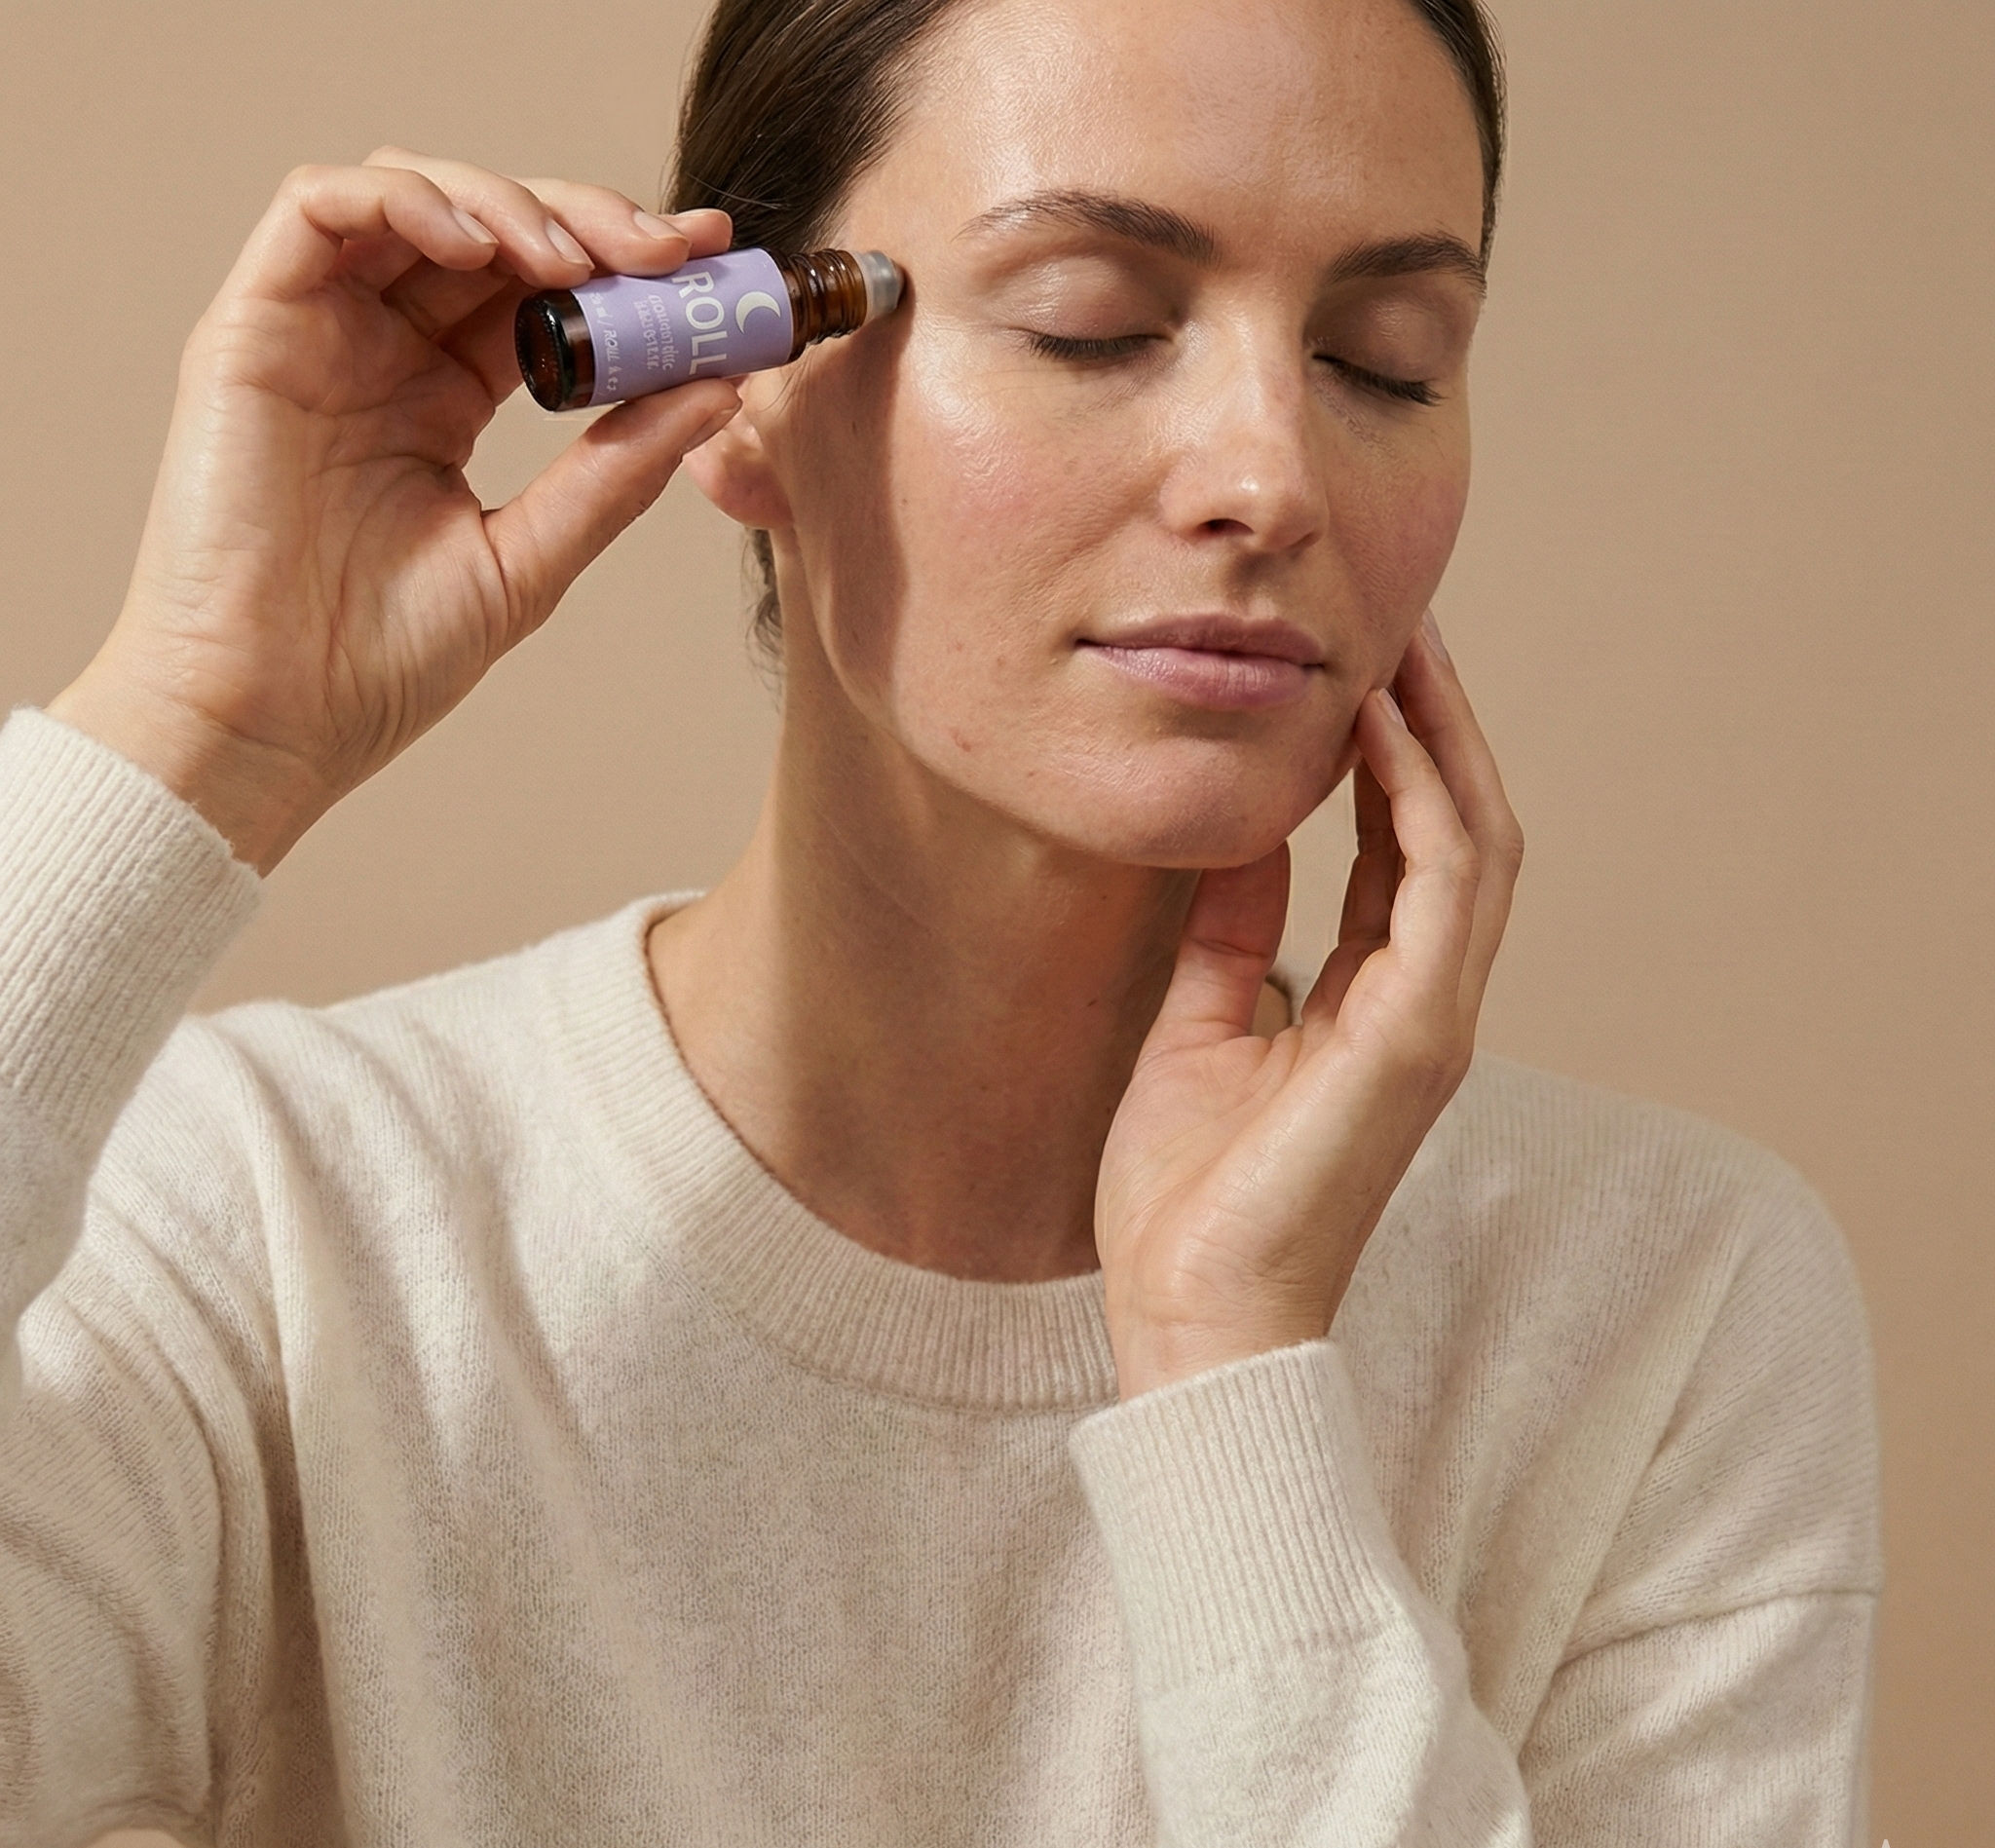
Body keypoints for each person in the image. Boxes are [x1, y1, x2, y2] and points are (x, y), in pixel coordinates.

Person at [0, 0, 1880, 1839]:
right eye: (1094, 326)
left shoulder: (1664, 1306)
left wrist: (1230, 1368)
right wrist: (193, 730)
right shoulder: (243, 1233)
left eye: (1384, 359)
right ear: (729, 383)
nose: (1269, 479)